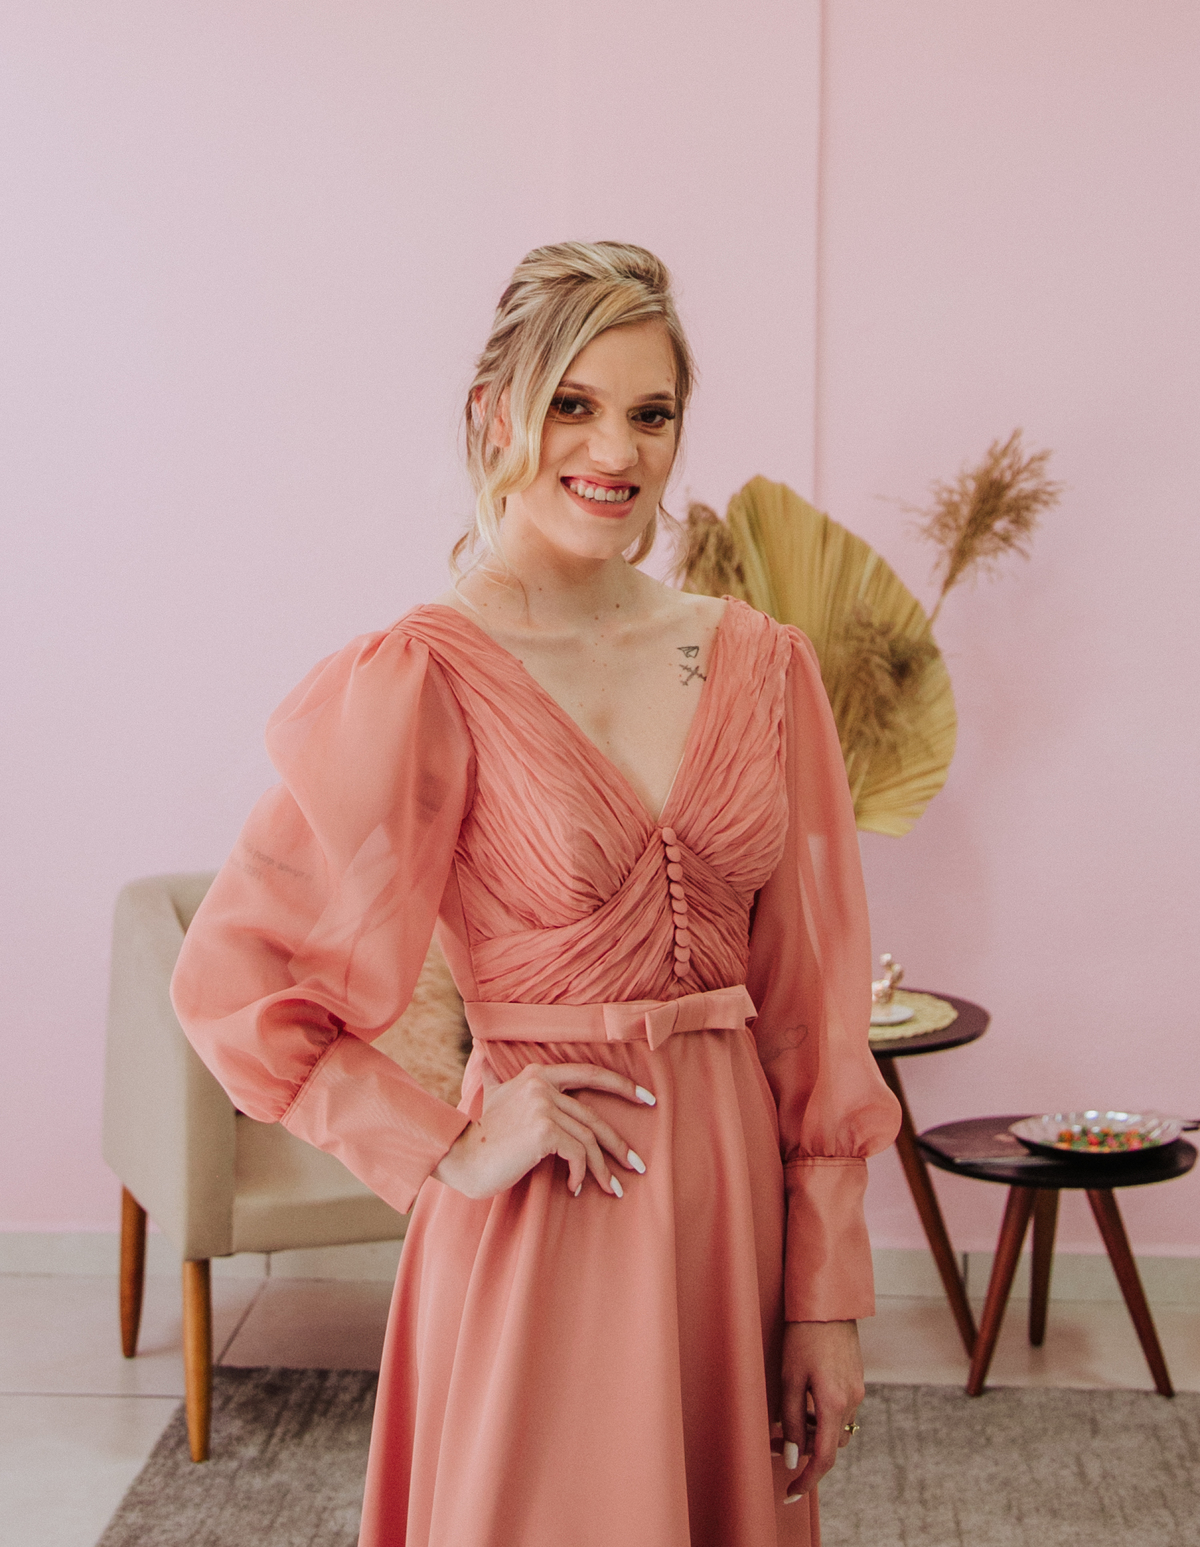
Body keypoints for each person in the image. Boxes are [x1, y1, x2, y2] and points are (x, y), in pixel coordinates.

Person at [172, 241, 901, 1547]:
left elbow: (812, 1009)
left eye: (650, 413)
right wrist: (442, 1145)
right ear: (493, 413)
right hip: (539, 1221)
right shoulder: (420, 678)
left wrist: (826, 1295)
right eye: (573, 402)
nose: (614, 450)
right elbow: (234, 981)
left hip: (727, 1222)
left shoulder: (758, 663)